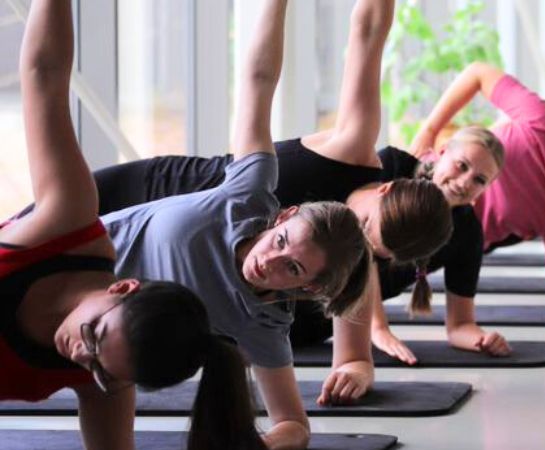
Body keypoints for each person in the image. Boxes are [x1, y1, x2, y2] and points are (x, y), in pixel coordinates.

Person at [66, 0, 506, 365]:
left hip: (170, 278)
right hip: (153, 194)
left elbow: (350, 352)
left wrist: (356, 370)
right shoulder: (353, 150)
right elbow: (368, 32)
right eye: (367, 224)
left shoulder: (343, 259)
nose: (357, 239)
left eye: (371, 250)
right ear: (384, 187)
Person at [0, 1, 287, 450]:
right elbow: (44, 75)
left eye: (97, 365)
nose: (78, 355)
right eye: (93, 335)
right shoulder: (66, 222)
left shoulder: (105, 381)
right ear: (123, 287)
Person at [101, 0, 371, 450]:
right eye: (281, 242)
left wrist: (253, 449)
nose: (271, 262)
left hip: (92, 318)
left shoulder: (262, 322)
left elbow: (293, 424)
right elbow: (258, 82)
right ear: (282, 217)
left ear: (306, 288)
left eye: (293, 270)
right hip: (75, 243)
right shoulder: (248, 192)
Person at [411, 62, 545, 326]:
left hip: (442, 242)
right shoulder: (543, 123)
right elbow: (477, 73)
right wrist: (428, 131)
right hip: (418, 187)